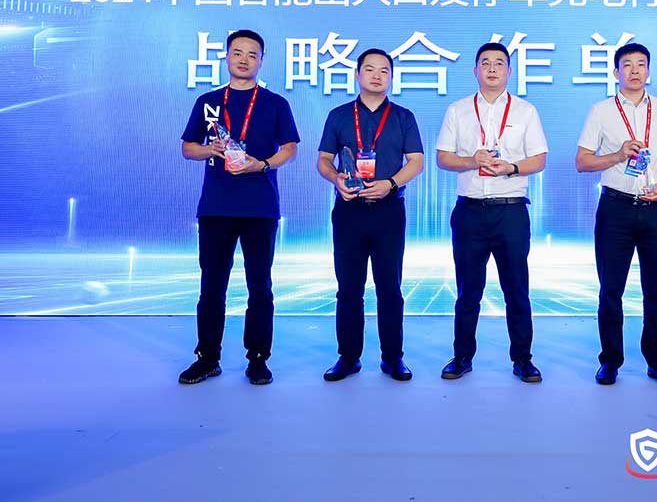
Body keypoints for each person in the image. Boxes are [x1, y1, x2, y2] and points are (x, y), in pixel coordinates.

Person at [179, 29, 299, 385]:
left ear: (261, 61)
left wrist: (261, 164)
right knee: (211, 285)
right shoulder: (208, 102)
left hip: (260, 206)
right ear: (227, 57)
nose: (244, 59)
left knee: (259, 286)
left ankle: (258, 359)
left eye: (252, 54)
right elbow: (188, 148)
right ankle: (207, 357)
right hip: (216, 206)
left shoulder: (275, 104)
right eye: (237, 53)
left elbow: (289, 149)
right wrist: (210, 150)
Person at [576, 43, 657, 386]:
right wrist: (617, 154)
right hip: (616, 209)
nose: (635, 70)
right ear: (616, 72)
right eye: (627, 65)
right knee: (611, 290)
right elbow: (582, 161)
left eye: (641, 64)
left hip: (656, 208)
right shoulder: (601, 111)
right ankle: (610, 361)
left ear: (649, 71)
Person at [435, 42, 548, 383]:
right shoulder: (458, 110)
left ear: (509, 71)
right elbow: (443, 158)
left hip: (510, 211)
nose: (493, 68)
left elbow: (539, 159)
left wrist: (511, 167)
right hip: (469, 211)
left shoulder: (525, 111)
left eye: (500, 63)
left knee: (516, 290)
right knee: (468, 291)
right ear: (475, 71)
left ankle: (523, 359)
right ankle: (462, 357)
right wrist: (472, 160)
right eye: (486, 63)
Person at [316, 48, 424, 382]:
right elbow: (324, 160)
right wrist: (336, 179)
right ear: (357, 75)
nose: (377, 76)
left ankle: (393, 358)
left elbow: (416, 161)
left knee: (389, 287)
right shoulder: (338, 115)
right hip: (349, 209)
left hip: (389, 211)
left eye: (384, 71)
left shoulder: (403, 116)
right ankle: (348, 357)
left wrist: (390, 184)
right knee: (349, 288)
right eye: (370, 69)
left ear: (391, 77)